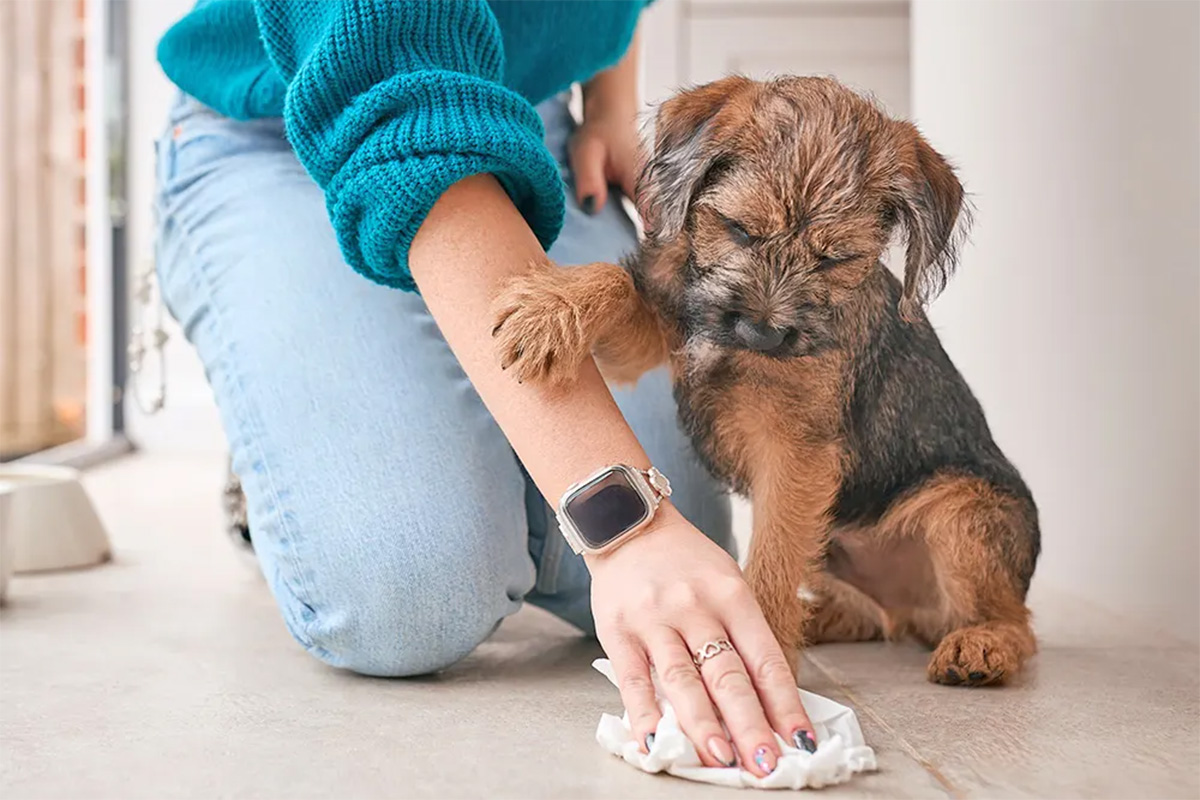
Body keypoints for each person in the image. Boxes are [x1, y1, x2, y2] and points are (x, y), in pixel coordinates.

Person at [154, 0, 815, 775]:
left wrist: (606, 102)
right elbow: (402, 87)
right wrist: (626, 523)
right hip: (291, 122)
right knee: (413, 594)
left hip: (521, 115)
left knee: (654, 556)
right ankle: (286, 430)